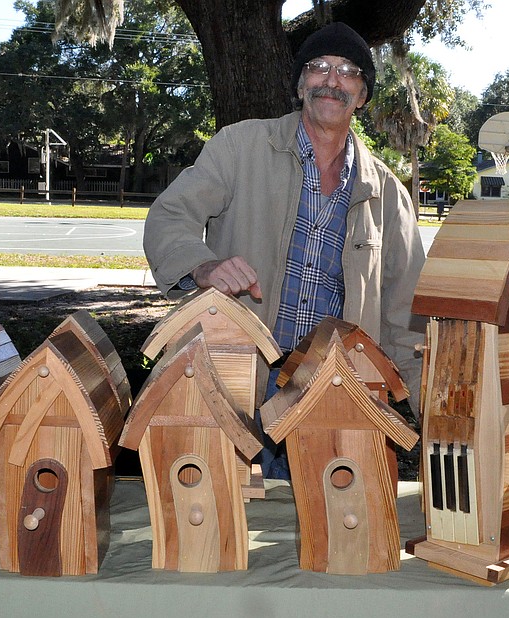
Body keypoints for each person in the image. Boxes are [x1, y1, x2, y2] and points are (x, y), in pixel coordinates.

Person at [143, 22, 425, 477]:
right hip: (238, 376)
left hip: (333, 392)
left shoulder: (387, 194)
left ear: (363, 94)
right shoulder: (240, 147)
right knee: (226, 521)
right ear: (299, 84)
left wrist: (437, 414)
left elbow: (406, 317)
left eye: (348, 72)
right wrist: (203, 266)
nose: (331, 80)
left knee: (317, 529)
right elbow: (169, 216)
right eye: (318, 68)